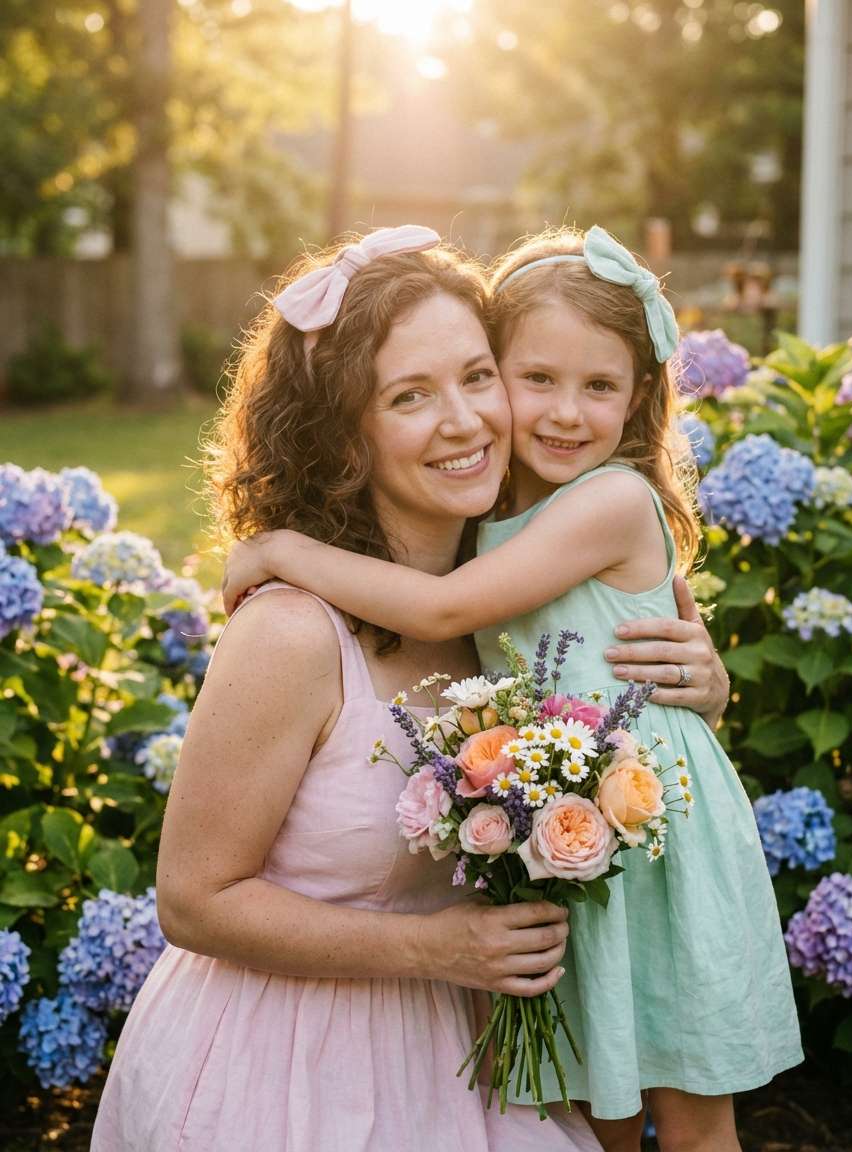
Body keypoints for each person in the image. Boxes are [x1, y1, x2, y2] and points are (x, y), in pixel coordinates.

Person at [220, 226, 803, 1152]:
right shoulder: (494, 508)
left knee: (691, 1126)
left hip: (652, 834)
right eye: (536, 379)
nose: (565, 412)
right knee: (595, 1114)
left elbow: (447, 607)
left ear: (641, 393)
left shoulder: (609, 500)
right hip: (569, 829)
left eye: (600, 386)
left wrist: (284, 551)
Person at [90, 226, 601, 1152]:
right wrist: (434, 949)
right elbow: (193, 899)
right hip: (285, 1072)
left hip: (461, 1050)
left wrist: (703, 686)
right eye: (410, 395)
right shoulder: (291, 635)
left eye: (477, 375)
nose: (466, 421)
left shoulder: (517, 615)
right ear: (344, 438)